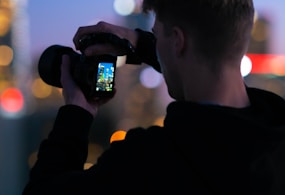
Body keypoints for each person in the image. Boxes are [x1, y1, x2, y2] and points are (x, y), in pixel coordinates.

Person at [23, 0, 285, 194]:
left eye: (157, 35)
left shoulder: (144, 166)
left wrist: (76, 114)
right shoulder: (274, 139)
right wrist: (141, 42)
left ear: (177, 41)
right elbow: (200, 54)